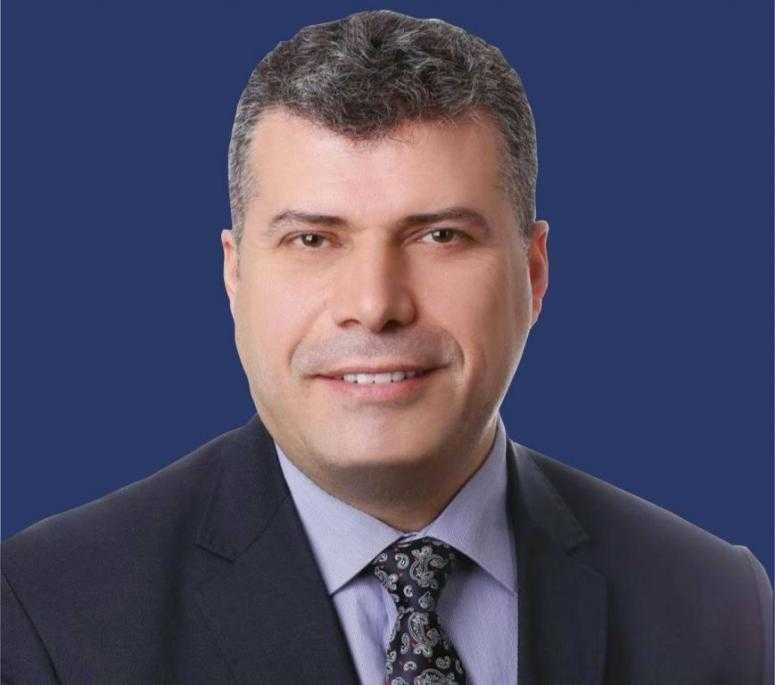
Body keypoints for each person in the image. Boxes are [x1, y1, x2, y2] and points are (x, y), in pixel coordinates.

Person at [2, 9, 772, 684]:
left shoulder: (714, 603)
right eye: (312, 239)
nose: (374, 305)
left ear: (533, 272)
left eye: (440, 236)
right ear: (234, 275)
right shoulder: (48, 611)